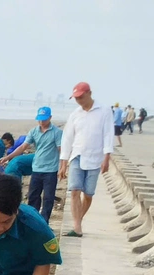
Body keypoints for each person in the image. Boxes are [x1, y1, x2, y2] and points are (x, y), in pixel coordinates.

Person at [59, 81, 115, 237]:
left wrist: (107, 157)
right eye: (76, 98)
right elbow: (67, 138)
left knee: (88, 194)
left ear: (89, 94)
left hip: (95, 158)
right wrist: (63, 162)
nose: (79, 101)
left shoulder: (104, 111)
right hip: (77, 156)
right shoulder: (75, 114)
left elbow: (108, 134)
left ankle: (78, 222)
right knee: (75, 190)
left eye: (81, 97)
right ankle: (77, 227)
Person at [0, 106, 64, 221]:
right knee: (33, 196)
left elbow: (61, 150)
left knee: (48, 198)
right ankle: (33, 220)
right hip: (37, 169)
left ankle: (44, 222)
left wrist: (64, 166)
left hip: (50, 170)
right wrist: (7, 157)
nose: (41, 122)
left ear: (50, 118)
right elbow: (23, 147)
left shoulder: (57, 133)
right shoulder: (34, 131)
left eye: (44, 119)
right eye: (39, 119)